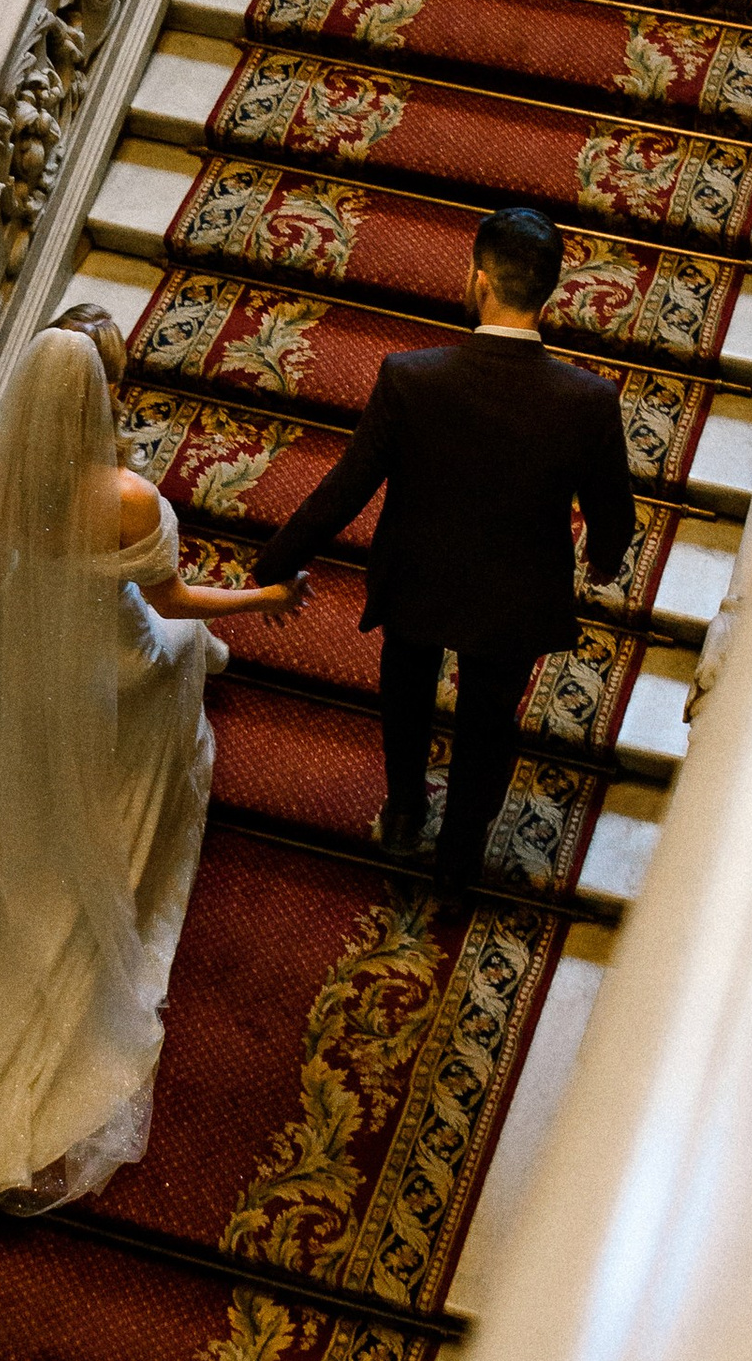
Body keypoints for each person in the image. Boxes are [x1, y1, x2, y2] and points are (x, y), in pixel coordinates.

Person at [0, 304, 304, 1242]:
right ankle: (139, 817)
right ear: (102, 394)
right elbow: (172, 597)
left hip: (31, 652)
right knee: (180, 649)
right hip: (110, 662)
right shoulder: (129, 499)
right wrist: (263, 597)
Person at [247, 205, 637, 893]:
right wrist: (603, 557)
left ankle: (404, 810)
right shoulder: (587, 400)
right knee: (489, 722)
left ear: (480, 280)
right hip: (513, 599)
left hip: (417, 579)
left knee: (406, 690)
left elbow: (347, 488)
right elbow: (614, 513)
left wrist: (275, 562)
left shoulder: (412, 377)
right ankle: (458, 859)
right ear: (547, 292)